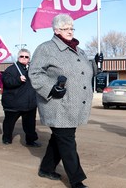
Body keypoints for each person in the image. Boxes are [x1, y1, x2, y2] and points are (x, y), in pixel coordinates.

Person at [28, 14, 103, 188]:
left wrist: (95, 64)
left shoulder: (78, 49)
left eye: (71, 28)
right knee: (67, 140)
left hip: (74, 104)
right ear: (56, 30)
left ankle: (46, 168)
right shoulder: (46, 48)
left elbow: (83, 73)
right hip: (58, 104)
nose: (69, 31)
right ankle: (76, 180)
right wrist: (50, 88)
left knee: (60, 138)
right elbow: (35, 73)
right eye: (65, 28)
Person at [1, 49, 41, 147]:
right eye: (21, 56)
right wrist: (18, 80)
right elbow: (7, 82)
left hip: (29, 103)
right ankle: (7, 138)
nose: (24, 58)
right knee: (9, 123)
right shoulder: (11, 69)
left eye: (26, 57)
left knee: (30, 124)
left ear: (29, 59)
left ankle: (31, 140)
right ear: (18, 57)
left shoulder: (32, 70)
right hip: (13, 103)